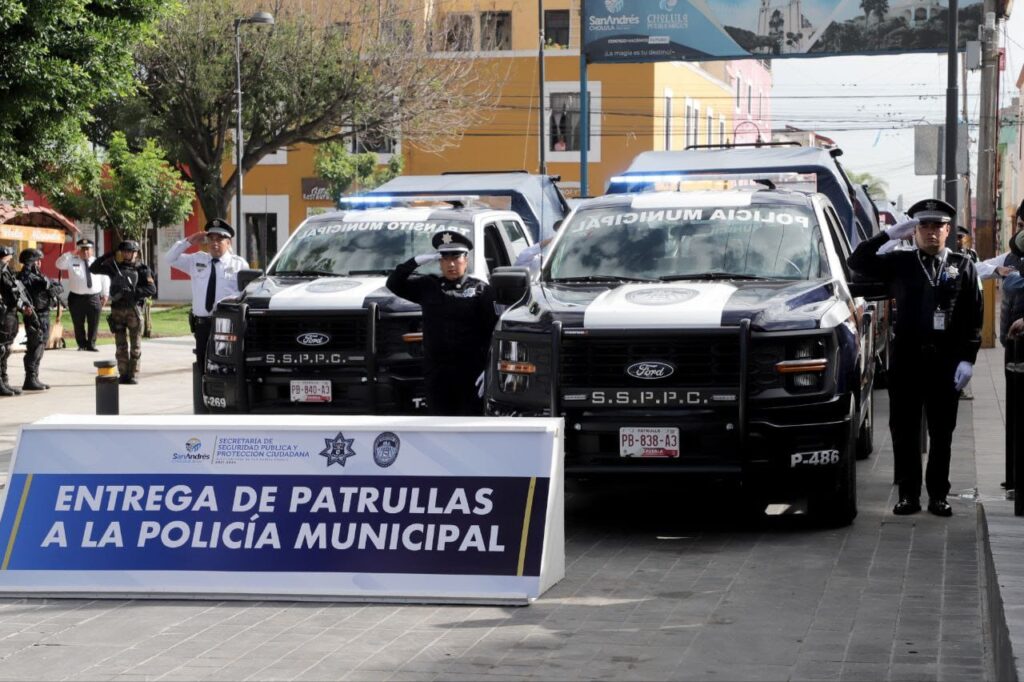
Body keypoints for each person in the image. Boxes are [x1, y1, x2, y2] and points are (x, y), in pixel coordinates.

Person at [849, 199, 983, 517]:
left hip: (946, 362)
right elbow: (858, 260)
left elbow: (973, 316)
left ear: (948, 230)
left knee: (941, 432)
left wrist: (969, 358)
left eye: (937, 226)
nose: (931, 232)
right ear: (915, 231)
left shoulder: (963, 265)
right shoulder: (901, 262)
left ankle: (938, 494)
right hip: (907, 361)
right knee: (905, 430)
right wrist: (888, 235)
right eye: (924, 226)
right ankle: (909, 495)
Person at [386, 230, 498, 416]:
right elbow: (394, 283)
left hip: (470, 373)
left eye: (456, 258)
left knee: (469, 423)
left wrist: (490, 370)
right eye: (445, 259)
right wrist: (416, 261)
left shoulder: (481, 291)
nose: (451, 264)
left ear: (466, 260)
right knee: (439, 423)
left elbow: (492, 333)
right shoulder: (429, 287)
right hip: (437, 373)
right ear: (439, 262)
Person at [165, 219, 247, 369]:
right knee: (203, 365)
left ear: (228, 243)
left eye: (219, 239)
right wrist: (188, 241)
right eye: (211, 238)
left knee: (225, 365)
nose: (214, 243)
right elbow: (169, 258)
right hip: (202, 324)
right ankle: (204, 392)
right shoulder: (197, 259)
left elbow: (245, 293)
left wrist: (228, 300)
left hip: (226, 323)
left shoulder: (239, 264)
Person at [89, 240, 156, 384]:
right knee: (120, 347)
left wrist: (135, 293)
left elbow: (152, 289)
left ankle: (133, 374)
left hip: (134, 310)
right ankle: (123, 374)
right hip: (118, 311)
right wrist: (109, 254)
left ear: (135, 253)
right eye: (124, 251)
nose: (126, 254)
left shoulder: (142, 269)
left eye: (129, 251)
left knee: (135, 346)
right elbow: (93, 268)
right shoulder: (114, 267)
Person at [16, 248, 62, 391]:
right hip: (35, 316)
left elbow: (57, 285)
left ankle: (34, 377)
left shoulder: (39, 275)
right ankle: (30, 378)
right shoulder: (25, 277)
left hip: (44, 314)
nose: (40, 263)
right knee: (35, 347)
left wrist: (54, 289)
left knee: (40, 346)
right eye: (37, 261)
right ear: (31, 262)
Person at [56, 238, 108, 351]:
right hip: (76, 297)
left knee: (94, 322)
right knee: (78, 323)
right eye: (82, 249)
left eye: (87, 249)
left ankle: (91, 344)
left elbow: (105, 278)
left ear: (92, 250)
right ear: (78, 250)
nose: (85, 252)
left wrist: (106, 294)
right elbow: (58, 264)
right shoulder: (71, 260)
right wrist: (70, 253)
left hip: (94, 296)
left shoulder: (98, 262)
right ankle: (82, 344)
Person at [0, 245, 32, 396]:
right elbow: (8, 291)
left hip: (10, 313)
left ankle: (4, 381)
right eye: (10, 255)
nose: (11, 258)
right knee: (1, 349)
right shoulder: (2, 270)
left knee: (6, 349)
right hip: (3, 314)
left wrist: (22, 306)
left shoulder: (7, 271)